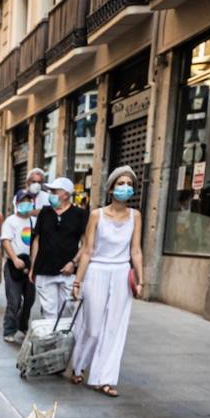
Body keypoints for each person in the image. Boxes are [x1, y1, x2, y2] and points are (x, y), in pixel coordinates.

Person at [68, 166, 144, 396]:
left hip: (122, 273)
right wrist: (77, 282)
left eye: (129, 184)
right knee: (92, 326)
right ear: (111, 189)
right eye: (121, 184)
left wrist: (141, 279)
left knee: (114, 328)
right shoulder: (96, 215)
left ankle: (104, 378)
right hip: (97, 271)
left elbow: (136, 250)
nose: (126, 188)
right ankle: (78, 365)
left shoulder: (136, 216)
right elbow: (88, 250)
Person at [30, 176, 88, 325]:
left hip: (67, 271)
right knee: (49, 312)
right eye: (51, 191)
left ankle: (63, 345)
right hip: (44, 269)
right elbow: (36, 240)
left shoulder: (79, 214)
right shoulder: (45, 212)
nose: (51, 194)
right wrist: (33, 267)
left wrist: (73, 263)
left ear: (66, 195)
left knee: (67, 310)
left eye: (55, 191)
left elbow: (86, 243)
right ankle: (51, 345)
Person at [0, 189, 35, 344]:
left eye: (29, 201)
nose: (26, 204)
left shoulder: (34, 221)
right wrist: (14, 258)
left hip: (30, 265)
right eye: (23, 201)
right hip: (14, 265)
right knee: (14, 300)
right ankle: (9, 329)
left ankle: (23, 325)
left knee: (29, 299)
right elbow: (6, 240)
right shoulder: (11, 221)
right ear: (17, 203)